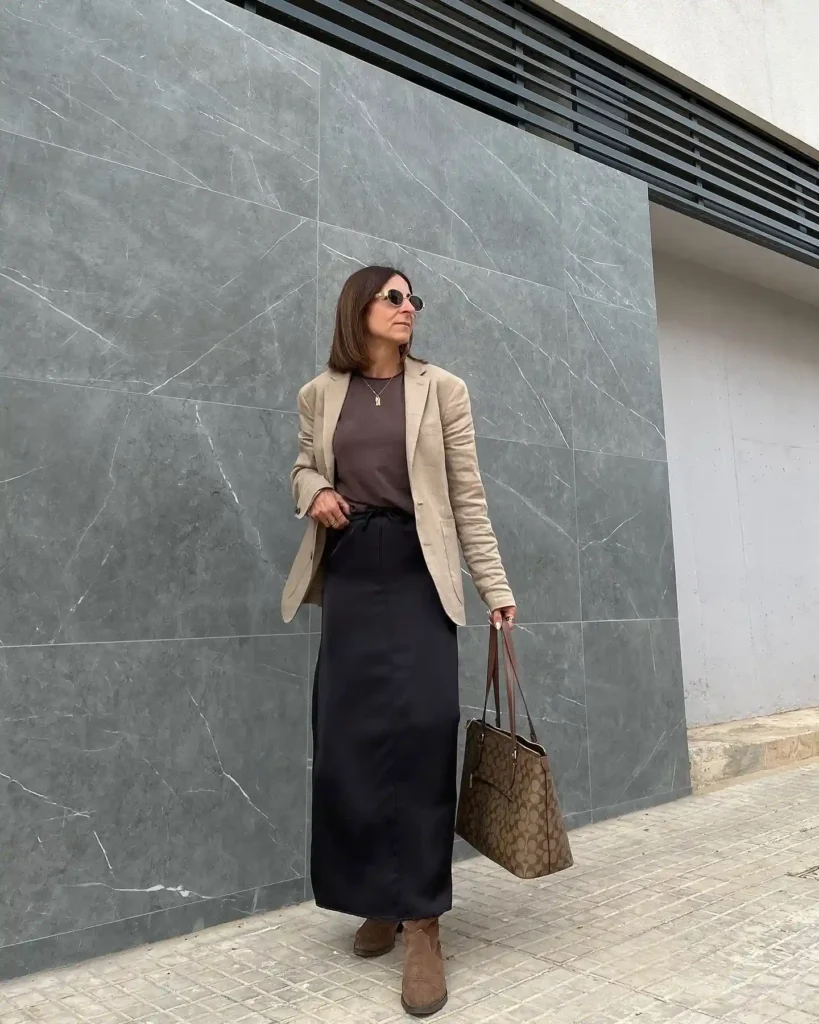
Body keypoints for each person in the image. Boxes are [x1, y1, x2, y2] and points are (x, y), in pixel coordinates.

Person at [281, 266, 516, 1017]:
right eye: (394, 296)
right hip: (351, 570)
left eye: (413, 299)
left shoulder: (441, 388)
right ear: (359, 307)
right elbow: (301, 465)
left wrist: (494, 586)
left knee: (417, 734)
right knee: (349, 737)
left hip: (420, 571)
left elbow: (466, 493)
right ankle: (373, 898)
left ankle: (422, 920)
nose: (408, 307)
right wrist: (311, 490)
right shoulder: (320, 393)